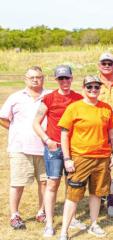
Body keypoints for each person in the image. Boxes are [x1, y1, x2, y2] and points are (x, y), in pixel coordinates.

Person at [56, 76, 113, 240]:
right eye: (89, 87)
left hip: (102, 158)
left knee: (97, 193)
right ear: (83, 88)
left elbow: (112, 133)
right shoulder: (74, 108)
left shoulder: (106, 108)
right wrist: (67, 158)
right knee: (73, 195)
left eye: (96, 87)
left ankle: (94, 223)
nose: (93, 90)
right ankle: (64, 231)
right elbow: (64, 134)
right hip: (80, 157)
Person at [32, 65, 86, 237]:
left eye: (67, 78)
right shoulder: (49, 99)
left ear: (72, 78)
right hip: (54, 148)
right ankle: (49, 223)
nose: (65, 82)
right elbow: (36, 123)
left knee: (72, 185)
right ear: (56, 80)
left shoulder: (79, 98)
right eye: (61, 79)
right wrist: (47, 140)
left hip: (74, 148)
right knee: (52, 183)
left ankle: (72, 218)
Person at [0, 66, 50, 229]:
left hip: (44, 147)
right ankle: (15, 214)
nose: (35, 80)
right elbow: (3, 117)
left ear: (43, 78)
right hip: (20, 148)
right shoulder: (16, 97)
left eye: (39, 77)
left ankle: (42, 211)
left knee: (44, 182)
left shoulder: (49, 96)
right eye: (32, 77)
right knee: (18, 182)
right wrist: (15, 129)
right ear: (25, 79)